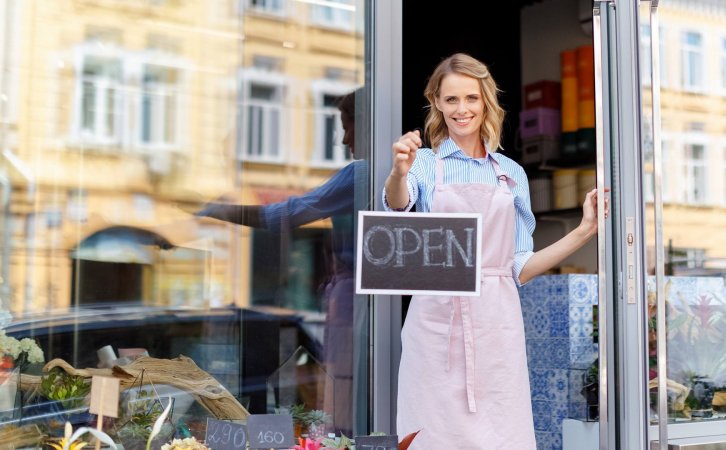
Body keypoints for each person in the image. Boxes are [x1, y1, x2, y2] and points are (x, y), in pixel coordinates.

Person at [384, 53, 607, 449]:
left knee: (499, 431)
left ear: (485, 100)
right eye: (451, 100)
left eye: (471, 98)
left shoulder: (510, 173)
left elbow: (519, 266)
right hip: (436, 320)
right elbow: (398, 207)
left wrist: (584, 231)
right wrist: (398, 172)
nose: (461, 109)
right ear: (436, 102)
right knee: (433, 431)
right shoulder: (424, 165)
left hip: (496, 320)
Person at [195, 89, 366, 435]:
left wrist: (220, 211)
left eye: (348, 127)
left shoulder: (361, 174)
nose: (344, 138)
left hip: (353, 300)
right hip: (364, 299)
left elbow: (286, 214)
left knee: (344, 390)